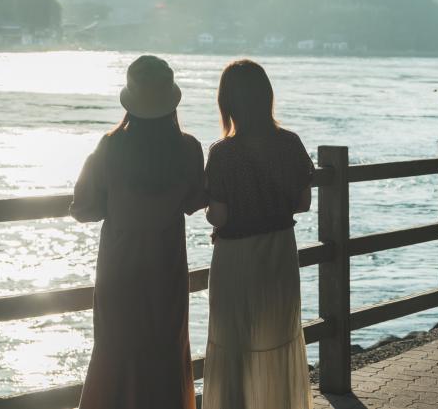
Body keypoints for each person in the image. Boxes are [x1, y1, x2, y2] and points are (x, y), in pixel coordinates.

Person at [71, 55, 207, 409]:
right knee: (165, 351)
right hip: (166, 269)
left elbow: (83, 208)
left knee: (115, 351)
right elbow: (197, 200)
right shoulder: (188, 148)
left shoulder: (111, 147)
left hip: (119, 266)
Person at [202, 59, 313, 409]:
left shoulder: (222, 153)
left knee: (232, 343)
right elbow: (302, 202)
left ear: (228, 102)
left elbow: (218, 214)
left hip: (236, 255)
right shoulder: (290, 143)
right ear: (266, 97)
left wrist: (209, 212)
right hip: (279, 249)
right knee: (278, 334)